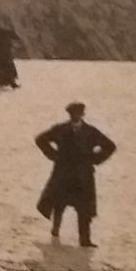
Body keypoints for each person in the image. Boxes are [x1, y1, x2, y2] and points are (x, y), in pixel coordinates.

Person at [35, 102, 117, 249]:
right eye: (73, 113)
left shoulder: (90, 132)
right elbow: (40, 139)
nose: (76, 116)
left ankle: (85, 240)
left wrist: (95, 159)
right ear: (70, 114)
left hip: (82, 176)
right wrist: (53, 155)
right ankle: (55, 230)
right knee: (59, 204)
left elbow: (110, 146)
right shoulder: (60, 129)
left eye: (79, 113)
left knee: (84, 209)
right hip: (64, 174)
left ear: (82, 114)